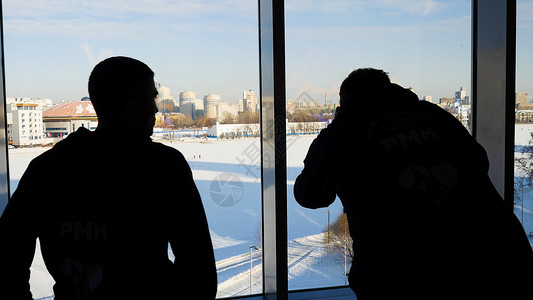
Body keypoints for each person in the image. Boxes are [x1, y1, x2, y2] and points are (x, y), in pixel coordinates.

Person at [294, 68, 533, 299]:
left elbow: (310, 195)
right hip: (496, 251)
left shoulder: (340, 134)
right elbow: (479, 160)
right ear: (390, 88)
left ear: (345, 101)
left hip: (400, 272)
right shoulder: (434, 114)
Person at [0, 56, 217, 299]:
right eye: (152, 98)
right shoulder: (163, 166)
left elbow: (6, 259)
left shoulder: (46, 168)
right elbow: (199, 271)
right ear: (134, 105)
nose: (156, 109)